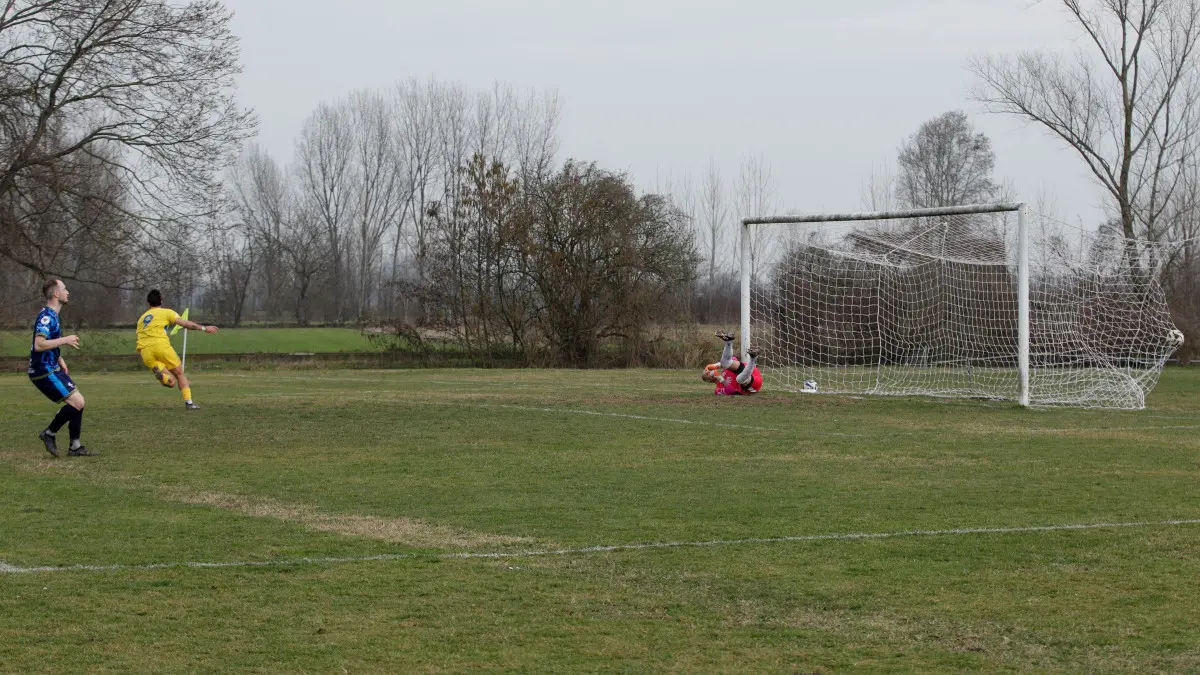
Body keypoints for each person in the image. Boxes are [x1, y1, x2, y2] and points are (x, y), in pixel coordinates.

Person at [29, 279, 97, 457]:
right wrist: (65, 340)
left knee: (78, 402)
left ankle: (75, 446)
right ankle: (49, 433)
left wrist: (59, 358)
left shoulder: (53, 316)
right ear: (56, 294)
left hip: (51, 366)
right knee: (78, 402)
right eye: (65, 289)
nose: (68, 292)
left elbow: (49, 343)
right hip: (43, 370)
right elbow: (39, 344)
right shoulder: (46, 317)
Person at [136, 289, 218, 410]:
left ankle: (162, 377)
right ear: (161, 301)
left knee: (171, 382)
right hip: (161, 346)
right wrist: (204, 328)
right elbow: (185, 324)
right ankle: (189, 403)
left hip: (145, 351)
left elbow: (138, 336)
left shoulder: (142, 318)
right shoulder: (166, 312)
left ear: (148, 303)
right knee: (180, 374)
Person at [701, 331, 763, 396]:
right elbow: (731, 390)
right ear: (709, 380)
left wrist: (715, 365)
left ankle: (729, 341)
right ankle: (753, 358)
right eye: (707, 373)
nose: (710, 371)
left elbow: (733, 359)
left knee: (725, 363)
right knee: (739, 379)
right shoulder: (718, 389)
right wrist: (720, 378)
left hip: (753, 371)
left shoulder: (725, 371)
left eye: (708, 370)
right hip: (752, 384)